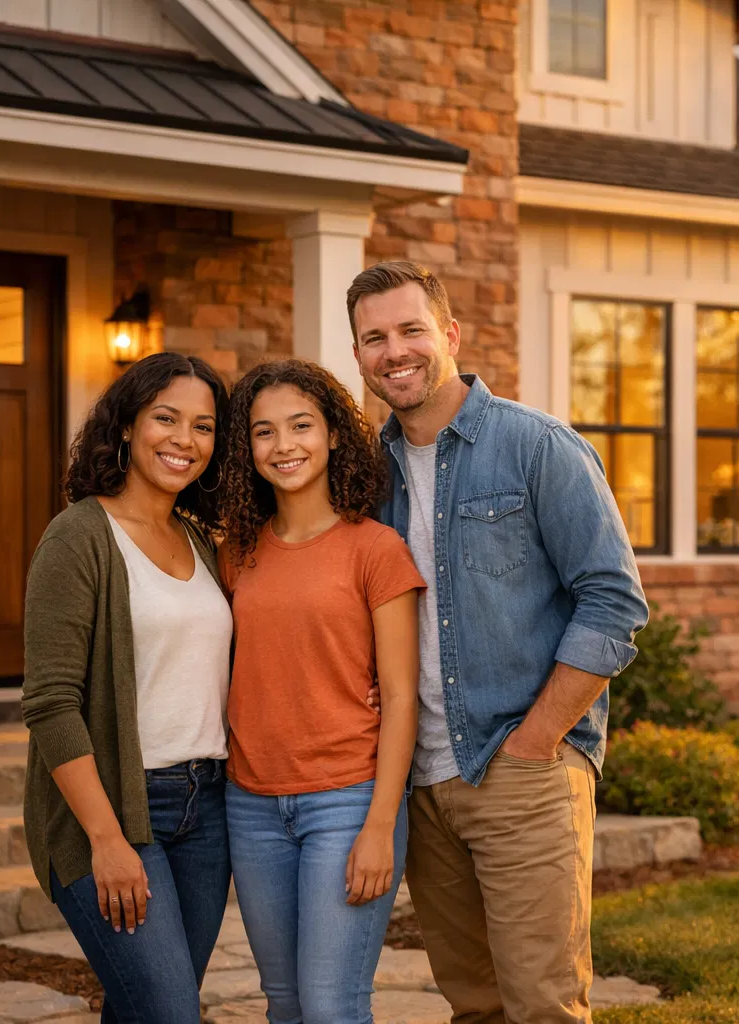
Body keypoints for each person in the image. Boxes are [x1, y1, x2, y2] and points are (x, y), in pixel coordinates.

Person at [350, 261, 650, 1023]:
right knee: (474, 1006)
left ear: (449, 334)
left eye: (411, 329)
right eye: (374, 337)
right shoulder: (364, 478)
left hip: (520, 768)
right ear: (358, 355)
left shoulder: (537, 446)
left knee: (543, 1006)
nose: (395, 351)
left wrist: (538, 737)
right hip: (421, 783)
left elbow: (614, 601)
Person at [21, 352, 233, 1024]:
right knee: (170, 1012)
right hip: (114, 808)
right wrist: (107, 840)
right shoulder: (78, 536)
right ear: (125, 427)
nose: (184, 439)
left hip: (207, 811)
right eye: (165, 418)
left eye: (203, 426)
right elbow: (51, 704)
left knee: (142, 1007)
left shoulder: (198, 541)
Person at [218, 358, 424, 1023]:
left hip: (347, 801)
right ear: (246, 449)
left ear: (334, 435)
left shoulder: (376, 549)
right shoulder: (234, 553)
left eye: (301, 426)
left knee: (333, 1006)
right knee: (284, 1006)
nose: (285, 447)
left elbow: (399, 697)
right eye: (265, 432)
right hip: (251, 805)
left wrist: (379, 827)